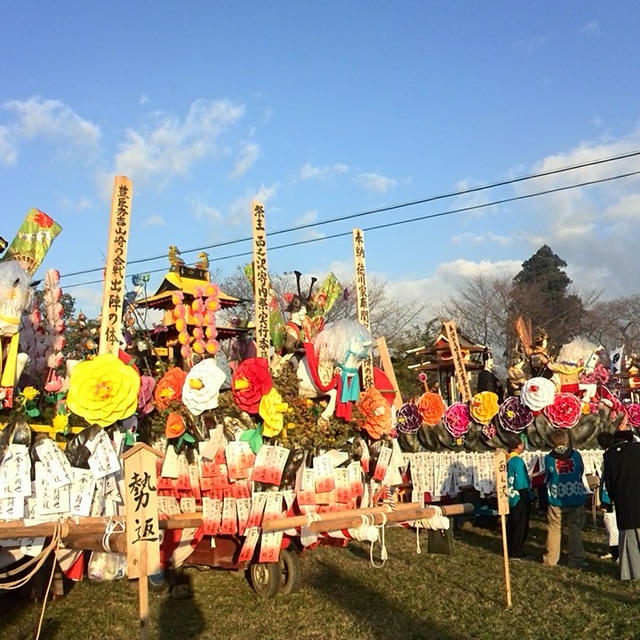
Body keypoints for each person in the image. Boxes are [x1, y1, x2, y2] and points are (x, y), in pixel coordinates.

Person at [543, 429, 587, 568]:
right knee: (574, 529)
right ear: (566, 440)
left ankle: (551, 560)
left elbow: (548, 476)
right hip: (575, 495)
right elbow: (581, 470)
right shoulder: (576, 455)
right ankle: (576, 559)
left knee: (554, 529)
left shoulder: (549, 458)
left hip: (557, 496)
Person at [602, 430, 640, 580]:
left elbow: (608, 482)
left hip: (624, 502)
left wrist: (613, 497)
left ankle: (632, 573)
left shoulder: (609, 455)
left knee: (628, 539)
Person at [506, 433, 532, 559]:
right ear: (518, 446)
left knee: (511, 523)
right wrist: (527, 496)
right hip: (518, 496)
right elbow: (520, 482)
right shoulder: (517, 460)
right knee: (520, 525)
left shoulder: (506, 459)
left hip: (508, 496)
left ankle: (510, 548)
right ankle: (517, 550)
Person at [597, 431, 618, 561]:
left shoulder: (612, 456)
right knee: (609, 523)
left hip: (611, 494)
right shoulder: (608, 455)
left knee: (614, 524)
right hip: (607, 493)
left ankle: (618, 552)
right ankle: (613, 550)